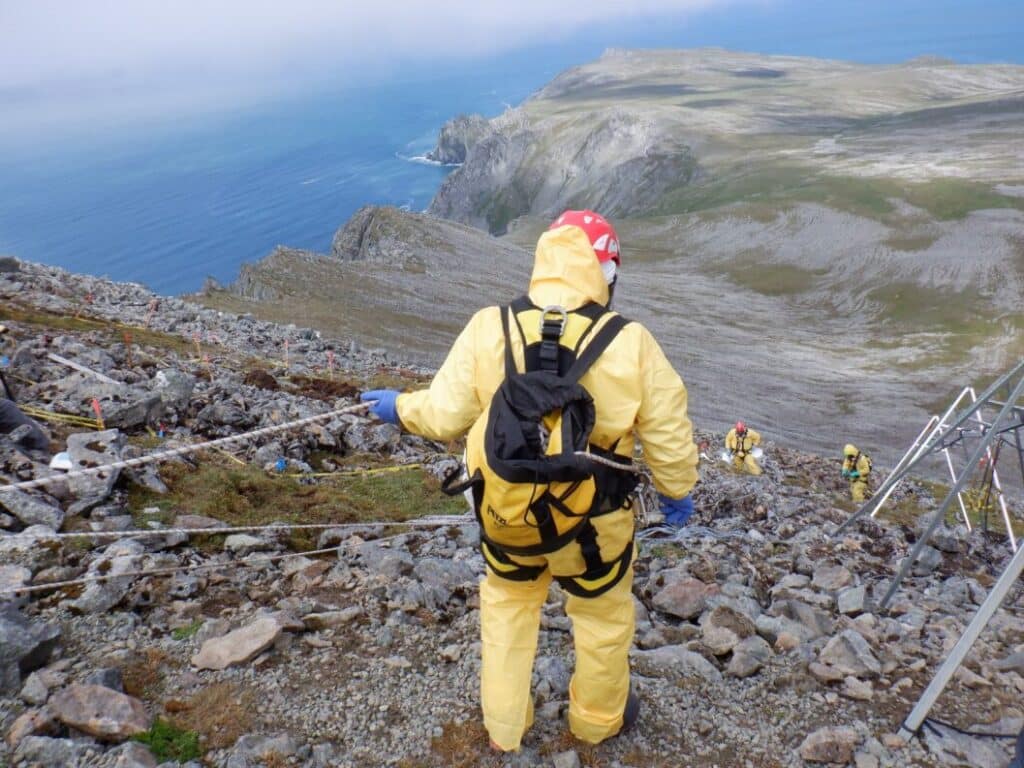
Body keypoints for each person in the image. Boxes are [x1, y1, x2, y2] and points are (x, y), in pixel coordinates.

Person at [362, 210, 698, 752]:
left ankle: (504, 728)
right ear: (605, 273)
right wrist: (678, 493)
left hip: (506, 516)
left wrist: (397, 407)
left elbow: (445, 416)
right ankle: (595, 723)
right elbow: (668, 438)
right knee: (602, 620)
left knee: (507, 612)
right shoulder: (631, 342)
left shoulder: (488, 327)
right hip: (596, 527)